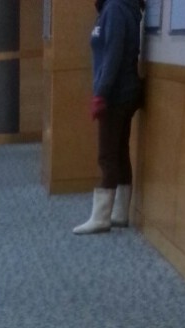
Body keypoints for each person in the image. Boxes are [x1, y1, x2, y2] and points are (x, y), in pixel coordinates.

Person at [74, 0, 145, 234]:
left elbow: (113, 55)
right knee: (120, 153)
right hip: (124, 91)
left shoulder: (114, 8)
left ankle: (101, 217)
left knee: (107, 156)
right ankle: (119, 213)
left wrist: (101, 94)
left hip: (115, 94)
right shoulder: (121, 7)